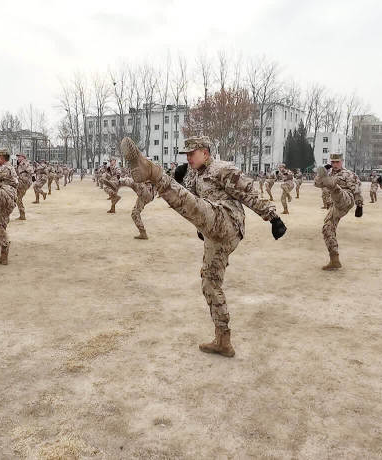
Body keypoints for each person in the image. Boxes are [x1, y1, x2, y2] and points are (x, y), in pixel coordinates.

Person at [120, 136, 286, 358]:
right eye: (186, 154)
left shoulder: (222, 168)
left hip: (227, 221)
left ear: (205, 152)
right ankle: (223, 340)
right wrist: (178, 182)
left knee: (194, 205)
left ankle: (151, 169)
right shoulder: (194, 177)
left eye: (192, 153)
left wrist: (273, 217)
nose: (188, 158)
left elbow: (247, 192)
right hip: (213, 236)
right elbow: (185, 200)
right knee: (209, 283)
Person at [312, 154, 362, 270]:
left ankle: (332, 185)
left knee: (335, 188)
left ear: (342, 162)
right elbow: (316, 184)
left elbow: (356, 188)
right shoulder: (329, 174)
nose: (335, 164)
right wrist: (321, 174)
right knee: (327, 228)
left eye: (337, 162)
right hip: (336, 204)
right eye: (333, 162)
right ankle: (334, 259)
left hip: (347, 198)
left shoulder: (348, 174)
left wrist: (359, 205)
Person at [15, 153, 34, 220]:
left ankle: (22, 215)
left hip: (24, 181)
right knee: (18, 198)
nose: (18, 158)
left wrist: (31, 175)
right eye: (18, 157)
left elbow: (30, 170)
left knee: (18, 198)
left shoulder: (24, 162)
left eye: (19, 157)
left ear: (23, 157)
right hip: (22, 181)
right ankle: (22, 215)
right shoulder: (20, 164)